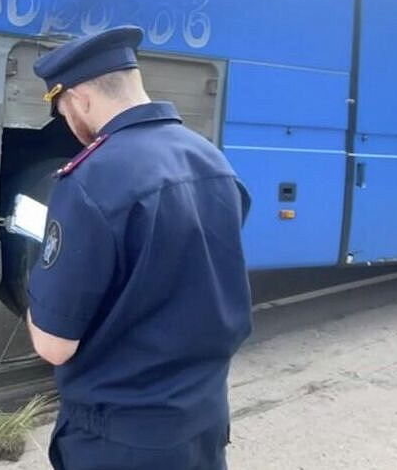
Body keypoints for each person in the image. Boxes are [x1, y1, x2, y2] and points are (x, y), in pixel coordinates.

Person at [27, 25, 253, 470]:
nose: (69, 125)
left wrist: (41, 283)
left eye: (63, 111)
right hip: (204, 426)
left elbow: (55, 345)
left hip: (122, 441)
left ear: (80, 99)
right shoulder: (213, 162)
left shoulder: (91, 180)